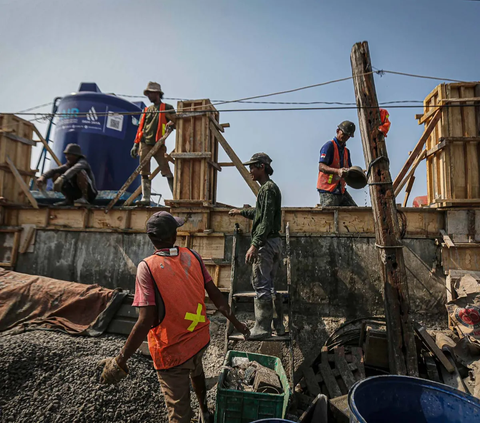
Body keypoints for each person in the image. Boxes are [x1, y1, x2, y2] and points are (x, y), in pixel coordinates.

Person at [99, 211, 249, 423]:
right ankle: (205, 413)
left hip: (172, 352)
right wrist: (237, 324)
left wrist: (120, 359)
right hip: (199, 339)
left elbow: (145, 320)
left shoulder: (147, 268)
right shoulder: (192, 256)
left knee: (179, 414)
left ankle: (199, 414)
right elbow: (217, 296)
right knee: (196, 369)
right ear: (172, 236)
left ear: (152, 238)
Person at [229, 153, 284, 340]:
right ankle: (279, 325)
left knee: (261, 285)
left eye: (252, 167)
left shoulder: (267, 189)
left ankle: (262, 328)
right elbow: (261, 214)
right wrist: (241, 212)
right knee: (270, 286)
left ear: (262, 167)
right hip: (274, 242)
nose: (250, 171)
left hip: (266, 244)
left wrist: (255, 244)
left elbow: (266, 221)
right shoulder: (269, 189)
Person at [130, 82, 176, 204]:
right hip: (145, 143)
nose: (149, 96)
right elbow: (140, 128)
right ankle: (145, 198)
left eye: (151, 93)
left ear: (157, 94)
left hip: (159, 144)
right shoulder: (146, 110)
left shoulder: (167, 107)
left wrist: (172, 124)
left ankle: (176, 195)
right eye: (148, 93)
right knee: (144, 171)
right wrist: (135, 145)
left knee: (166, 170)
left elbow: (177, 122)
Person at [317, 120, 357, 207]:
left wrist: (358, 173)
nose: (345, 137)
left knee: (355, 212)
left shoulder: (346, 151)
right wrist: (337, 171)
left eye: (348, 135)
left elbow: (349, 169)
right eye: (344, 133)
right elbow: (321, 166)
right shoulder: (329, 146)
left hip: (340, 191)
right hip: (328, 190)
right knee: (329, 217)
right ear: (338, 131)